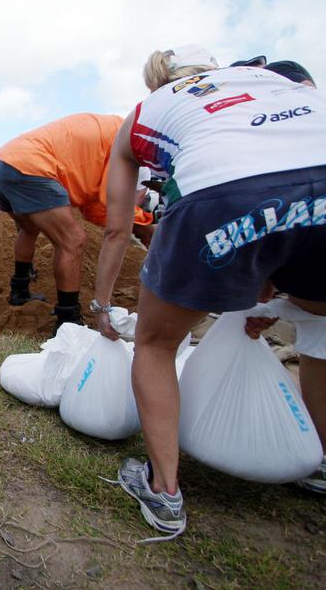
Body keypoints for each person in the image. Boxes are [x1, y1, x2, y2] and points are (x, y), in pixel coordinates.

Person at [93, 44, 326, 540]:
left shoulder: (146, 113)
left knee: (156, 344)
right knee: (323, 332)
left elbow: (117, 229)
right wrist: (263, 301)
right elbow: (288, 195)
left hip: (222, 192)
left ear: (156, 82)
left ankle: (164, 491)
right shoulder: (269, 81)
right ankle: (319, 464)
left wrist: (102, 305)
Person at [0, 113, 155, 333]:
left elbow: (96, 205)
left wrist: (135, 221)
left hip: (1, 163)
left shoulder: (112, 129)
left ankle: (19, 292)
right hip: (31, 166)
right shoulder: (127, 150)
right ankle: (68, 320)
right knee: (72, 241)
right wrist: (142, 224)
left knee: (29, 229)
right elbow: (107, 205)